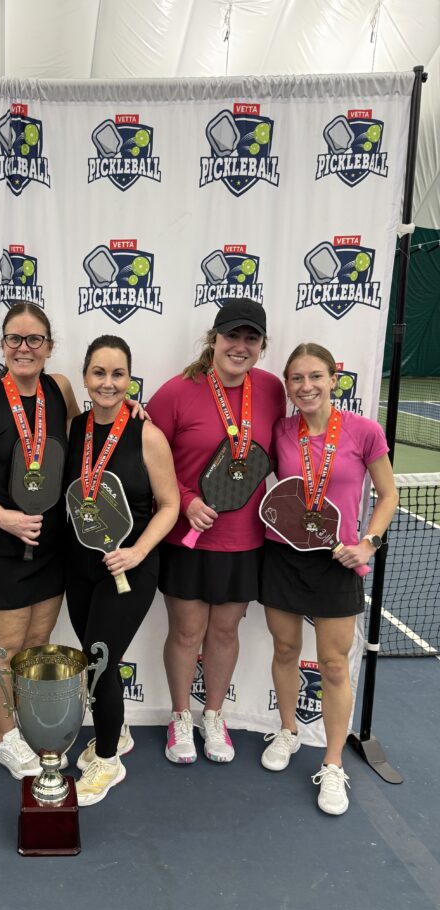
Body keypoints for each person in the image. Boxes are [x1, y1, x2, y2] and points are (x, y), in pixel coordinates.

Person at [145, 299, 286, 765]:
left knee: (224, 633)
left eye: (251, 339)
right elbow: (148, 460)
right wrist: (186, 501)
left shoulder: (270, 390)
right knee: (187, 633)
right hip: (187, 539)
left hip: (245, 541)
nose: (240, 347)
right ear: (214, 339)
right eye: (232, 336)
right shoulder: (175, 393)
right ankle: (181, 718)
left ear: (262, 346)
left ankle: (214, 715)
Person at [259, 342, 398, 815]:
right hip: (283, 557)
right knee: (284, 650)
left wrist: (369, 543)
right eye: (296, 379)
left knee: (334, 666)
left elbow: (388, 495)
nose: (306, 386)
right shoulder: (280, 431)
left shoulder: (364, 431)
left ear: (332, 380)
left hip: (337, 563)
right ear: (288, 386)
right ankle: (288, 731)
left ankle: (334, 762)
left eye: (315, 376)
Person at [0, 303, 80, 778]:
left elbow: (81, 441)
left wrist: (129, 408)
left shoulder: (61, 390)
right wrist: (4, 518)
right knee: (3, 651)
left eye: (34, 339)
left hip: (50, 544)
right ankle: (4, 737)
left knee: (38, 642)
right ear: (2, 344)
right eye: (14, 339)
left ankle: (25, 726)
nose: (24, 348)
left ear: (49, 345)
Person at [66, 336, 179, 806]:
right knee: (94, 660)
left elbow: (170, 505)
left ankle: (109, 759)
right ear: (85, 377)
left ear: (130, 379)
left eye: (118, 374)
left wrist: (137, 552)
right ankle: (121, 730)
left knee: (100, 660)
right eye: (99, 373)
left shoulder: (147, 434)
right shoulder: (75, 428)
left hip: (130, 568)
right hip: (80, 564)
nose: (108, 383)